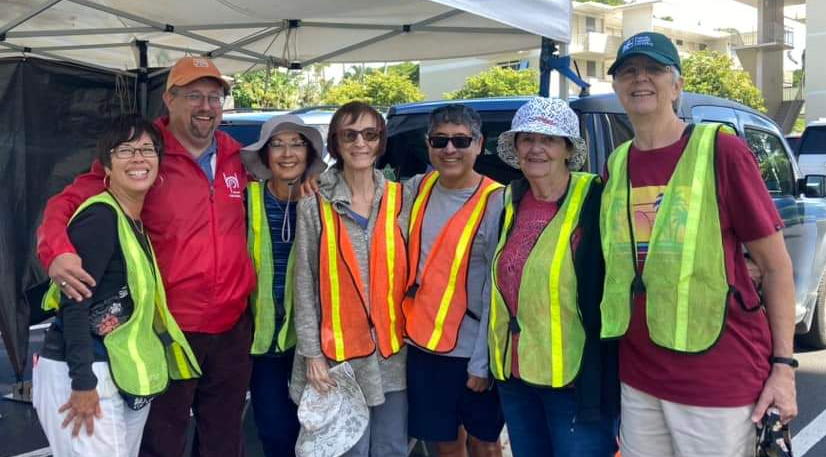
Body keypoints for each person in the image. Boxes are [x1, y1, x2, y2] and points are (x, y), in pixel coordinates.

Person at [36, 56, 256, 457]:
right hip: (166, 330)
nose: (206, 106)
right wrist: (56, 252)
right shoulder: (141, 153)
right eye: (194, 96)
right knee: (161, 442)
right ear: (169, 99)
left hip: (231, 330)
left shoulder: (235, 156)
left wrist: (310, 173)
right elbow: (64, 204)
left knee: (224, 440)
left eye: (214, 97)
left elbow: (289, 169)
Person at [601, 32, 797, 457]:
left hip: (717, 378)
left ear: (677, 84)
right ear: (616, 86)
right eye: (629, 71)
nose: (640, 79)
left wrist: (784, 369)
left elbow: (777, 267)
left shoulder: (721, 152)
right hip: (639, 376)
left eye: (655, 69)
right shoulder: (616, 164)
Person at [32, 115, 200, 457]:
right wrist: (82, 383)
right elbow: (74, 304)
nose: (138, 158)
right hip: (82, 371)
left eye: (146, 149)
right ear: (106, 165)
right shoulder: (100, 218)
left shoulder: (132, 220)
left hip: (115, 371)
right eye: (125, 150)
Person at [488, 97, 619, 457]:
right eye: (527, 139)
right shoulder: (511, 201)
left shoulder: (597, 199)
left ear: (567, 148)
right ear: (515, 147)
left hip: (577, 380)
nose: (535, 148)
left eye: (548, 139)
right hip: (516, 376)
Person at [291, 101, 409, 457]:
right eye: (350, 135)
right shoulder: (314, 205)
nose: (360, 143)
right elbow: (305, 285)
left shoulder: (403, 198)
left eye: (370, 134)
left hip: (393, 355)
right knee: (346, 450)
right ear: (336, 143)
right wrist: (311, 354)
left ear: (381, 142)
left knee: (391, 448)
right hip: (336, 357)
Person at [402, 104, 505, 457]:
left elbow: (498, 290)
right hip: (423, 347)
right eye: (440, 140)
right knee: (444, 443)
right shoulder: (416, 189)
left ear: (479, 144)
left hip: (473, 351)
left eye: (461, 141)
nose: (450, 149)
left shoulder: (498, 202)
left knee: (484, 443)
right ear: (428, 144)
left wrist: (483, 362)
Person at [240, 114, 325, 457]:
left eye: (296, 144)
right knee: (274, 432)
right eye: (277, 144)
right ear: (264, 155)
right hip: (261, 342)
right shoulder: (245, 200)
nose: (287, 153)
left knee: (317, 431)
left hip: (314, 342)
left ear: (308, 154)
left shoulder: (324, 200)